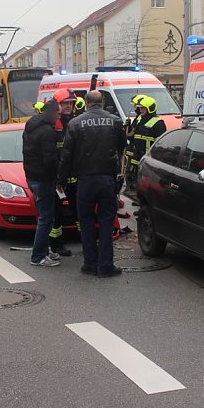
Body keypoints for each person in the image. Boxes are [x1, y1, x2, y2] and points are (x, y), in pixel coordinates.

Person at [58, 90, 126, 278]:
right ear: (102, 102)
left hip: (85, 180)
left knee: (86, 221)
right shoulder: (115, 121)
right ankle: (105, 266)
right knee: (105, 221)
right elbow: (122, 146)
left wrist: (61, 179)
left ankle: (89, 263)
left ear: (86, 102)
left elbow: (66, 155)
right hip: (107, 179)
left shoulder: (75, 123)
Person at [22, 99, 62, 267]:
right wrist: (57, 178)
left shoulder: (31, 126)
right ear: (52, 112)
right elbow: (50, 160)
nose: (59, 117)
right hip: (44, 179)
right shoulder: (47, 131)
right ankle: (38, 256)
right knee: (46, 218)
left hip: (32, 176)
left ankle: (44, 250)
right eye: (58, 113)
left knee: (44, 216)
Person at [49, 88, 78, 256]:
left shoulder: (75, 122)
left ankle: (86, 240)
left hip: (75, 176)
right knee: (56, 213)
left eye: (71, 103)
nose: (69, 106)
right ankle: (56, 244)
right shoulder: (52, 125)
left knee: (80, 212)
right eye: (65, 103)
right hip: (58, 178)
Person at [129, 96, 167, 181]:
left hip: (149, 157)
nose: (140, 110)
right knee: (133, 177)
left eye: (143, 108)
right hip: (137, 155)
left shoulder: (158, 123)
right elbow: (131, 137)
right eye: (141, 108)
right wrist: (127, 127)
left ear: (150, 109)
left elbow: (161, 144)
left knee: (146, 180)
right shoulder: (140, 120)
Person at [123, 95, 146, 193]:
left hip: (137, 150)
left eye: (136, 106)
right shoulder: (138, 118)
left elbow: (133, 134)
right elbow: (129, 135)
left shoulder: (141, 119)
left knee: (132, 171)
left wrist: (129, 128)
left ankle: (132, 190)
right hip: (134, 149)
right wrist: (127, 126)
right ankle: (130, 189)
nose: (135, 108)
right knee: (130, 170)